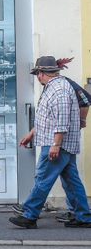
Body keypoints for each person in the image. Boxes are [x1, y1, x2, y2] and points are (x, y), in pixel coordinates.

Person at [10, 56, 91, 229]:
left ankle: (30, 215)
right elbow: (48, 117)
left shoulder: (59, 89)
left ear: (41, 73)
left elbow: (61, 119)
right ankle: (83, 216)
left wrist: (56, 144)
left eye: (37, 74)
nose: (37, 77)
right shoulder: (55, 87)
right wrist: (32, 133)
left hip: (56, 144)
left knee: (43, 179)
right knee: (71, 180)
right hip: (59, 143)